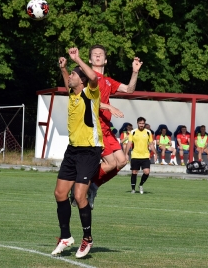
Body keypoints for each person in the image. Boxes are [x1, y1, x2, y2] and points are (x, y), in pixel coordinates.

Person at [73, 44, 143, 209]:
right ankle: (82, 186)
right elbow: (86, 100)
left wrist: (135, 71)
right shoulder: (88, 78)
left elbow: (129, 89)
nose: (97, 56)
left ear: (105, 60)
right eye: (94, 55)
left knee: (123, 161)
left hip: (106, 128)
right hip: (94, 128)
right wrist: (109, 107)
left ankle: (93, 186)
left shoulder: (108, 81)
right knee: (111, 163)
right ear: (90, 60)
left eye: (100, 54)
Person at [52, 47, 102, 258]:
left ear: (81, 81)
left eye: (73, 75)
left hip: (89, 151)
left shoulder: (90, 93)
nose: (70, 77)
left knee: (79, 196)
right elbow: (68, 83)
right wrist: (64, 68)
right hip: (72, 150)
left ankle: (87, 239)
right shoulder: (73, 95)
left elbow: (92, 76)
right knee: (60, 194)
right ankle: (65, 236)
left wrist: (77, 59)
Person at [124, 117, 156, 194]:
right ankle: (133, 189)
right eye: (140, 123)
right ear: (137, 123)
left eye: (143, 123)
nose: (141, 125)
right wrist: (126, 154)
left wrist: (155, 153)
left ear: (144, 124)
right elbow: (129, 143)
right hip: (135, 155)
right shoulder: (133, 132)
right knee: (134, 172)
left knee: (147, 172)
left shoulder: (148, 132)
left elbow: (151, 144)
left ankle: (141, 184)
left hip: (145, 155)